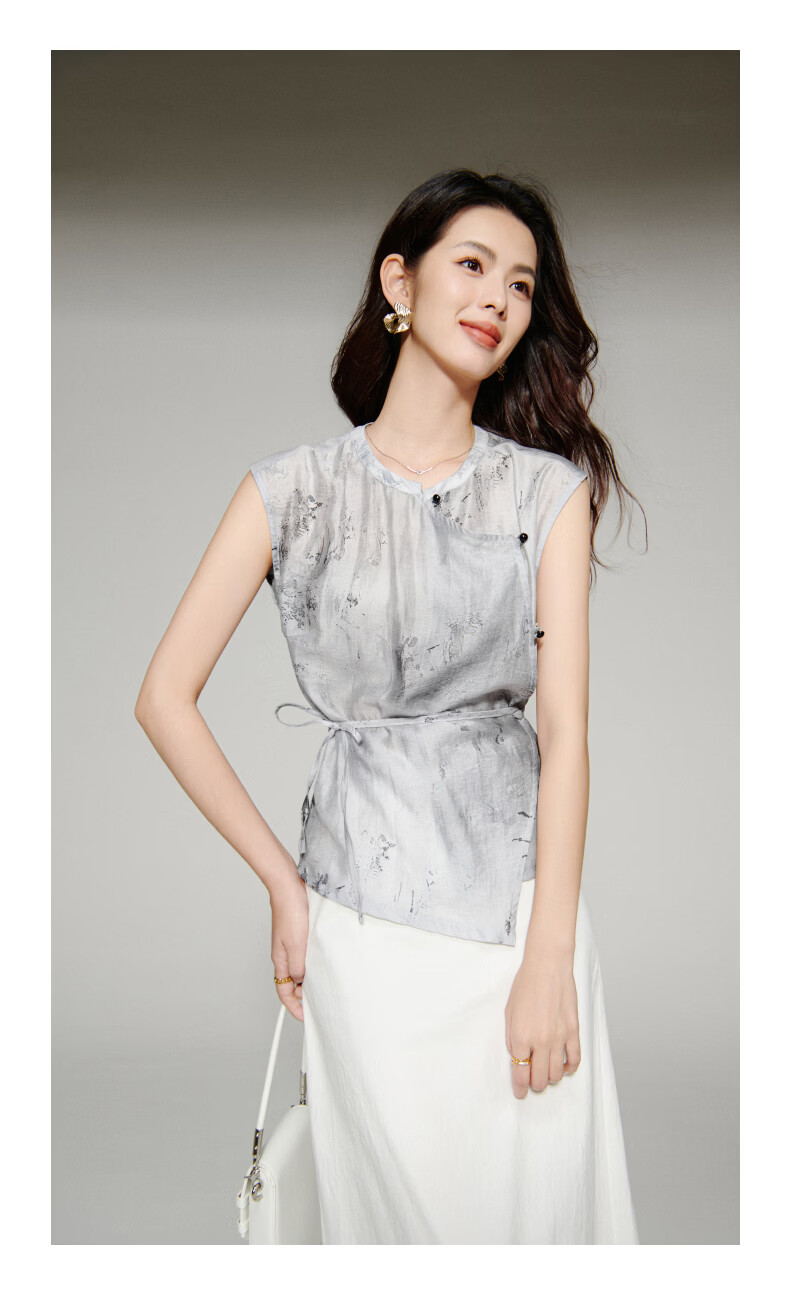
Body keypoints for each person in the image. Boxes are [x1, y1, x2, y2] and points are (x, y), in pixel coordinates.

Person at [135, 168, 643, 1244]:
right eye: (474, 265)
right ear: (399, 283)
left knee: (534, 1221)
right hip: (361, 922)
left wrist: (549, 953)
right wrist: (283, 885)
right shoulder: (290, 490)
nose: (498, 298)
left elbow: (566, 732)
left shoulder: (546, 493)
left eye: (522, 285)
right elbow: (163, 697)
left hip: (516, 917)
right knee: (399, 1230)